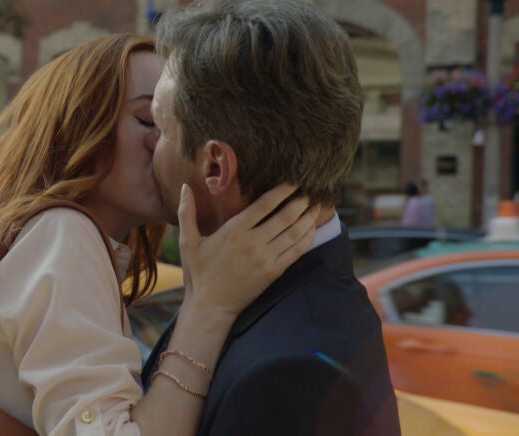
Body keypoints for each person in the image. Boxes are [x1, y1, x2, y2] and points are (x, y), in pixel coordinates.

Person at [0, 34, 318, 435]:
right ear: (78, 128)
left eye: (178, 125)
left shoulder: (53, 237)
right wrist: (209, 305)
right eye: (148, 120)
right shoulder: (63, 234)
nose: (165, 144)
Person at [145, 1, 401, 434]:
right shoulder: (303, 301)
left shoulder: (289, 376)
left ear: (215, 167)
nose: (149, 145)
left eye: (158, 128)